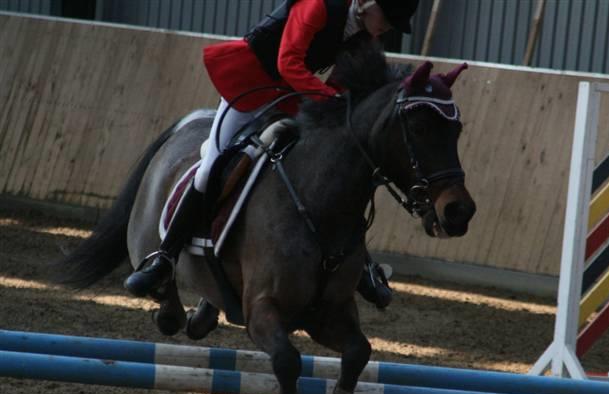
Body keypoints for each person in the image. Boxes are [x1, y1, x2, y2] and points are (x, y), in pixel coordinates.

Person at [125, 0, 420, 308]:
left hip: (289, 96)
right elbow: (289, 62)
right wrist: (329, 100)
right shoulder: (316, 6)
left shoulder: (364, 36)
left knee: (326, 169)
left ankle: (363, 268)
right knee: (212, 164)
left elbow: (339, 82)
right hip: (249, 84)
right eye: (387, 16)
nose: (388, 27)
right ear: (367, 2)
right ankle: (165, 258)